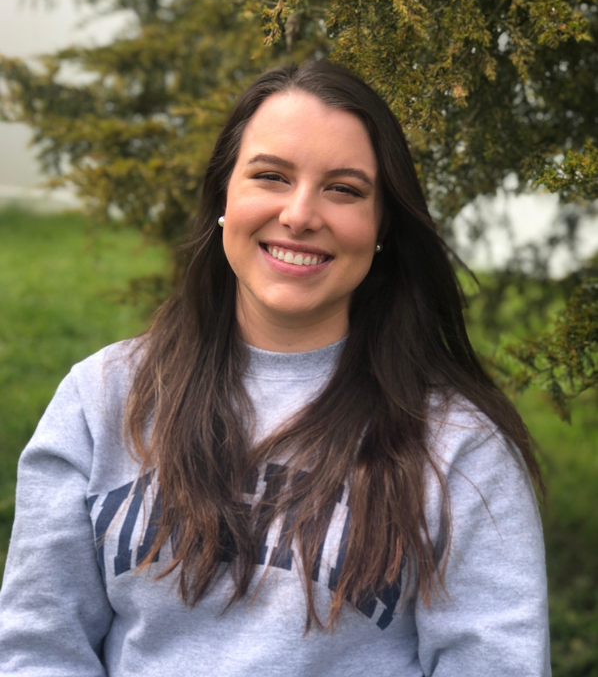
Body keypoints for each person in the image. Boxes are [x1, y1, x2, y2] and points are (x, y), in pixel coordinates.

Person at [0, 60, 550, 676]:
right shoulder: (101, 399)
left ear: (381, 226)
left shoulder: (458, 450)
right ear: (224, 198)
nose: (299, 214)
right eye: (270, 176)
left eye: (343, 189)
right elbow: (39, 648)